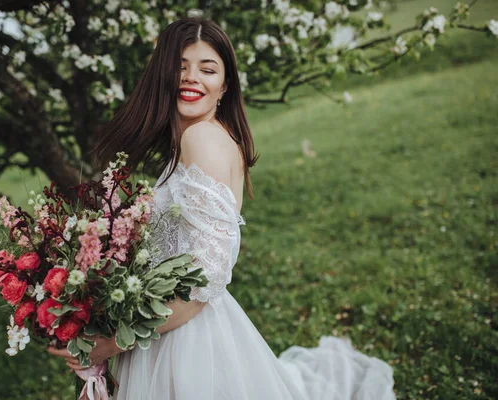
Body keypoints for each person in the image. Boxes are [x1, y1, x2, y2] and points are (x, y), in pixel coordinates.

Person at [48, 17, 396, 400]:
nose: (191, 78)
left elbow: (202, 287)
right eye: (180, 67)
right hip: (166, 330)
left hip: (186, 341)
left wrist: (112, 343)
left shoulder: (203, 139)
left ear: (224, 86)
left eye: (207, 69)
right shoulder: (191, 142)